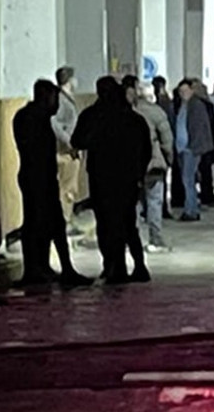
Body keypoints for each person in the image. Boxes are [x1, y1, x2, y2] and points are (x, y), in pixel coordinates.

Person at [71, 76, 153, 283]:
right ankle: (139, 265)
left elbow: (77, 140)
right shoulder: (134, 119)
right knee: (128, 223)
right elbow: (146, 150)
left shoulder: (91, 116)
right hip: (127, 179)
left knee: (106, 223)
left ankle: (112, 266)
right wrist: (139, 174)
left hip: (101, 178)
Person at [14, 79, 93, 287]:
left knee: (45, 223)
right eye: (54, 99)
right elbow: (37, 153)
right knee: (42, 224)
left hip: (39, 178)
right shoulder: (33, 120)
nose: (57, 105)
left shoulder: (31, 118)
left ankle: (43, 267)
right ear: (45, 98)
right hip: (38, 179)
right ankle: (41, 269)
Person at [125, 76, 173, 252]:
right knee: (154, 202)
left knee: (133, 203)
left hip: (131, 164)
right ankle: (155, 239)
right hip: (153, 164)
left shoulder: (128, 112)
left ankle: (132, 239)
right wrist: (168, 159)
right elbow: (167, 140)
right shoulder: (157, 113)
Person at [174, 79, 213, 222]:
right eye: (181, 91)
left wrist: (192, 147)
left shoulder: (195, 105)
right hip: (184, 148)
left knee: (188, 179)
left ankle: (190, 210)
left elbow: (198, 128)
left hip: (190, 148)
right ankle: (191, 208)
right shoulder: (185, 105)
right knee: (188, 179)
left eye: (185, 90)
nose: (183, 93)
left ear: (191, 90)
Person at [52, 66, 82, 234]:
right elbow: (54, 123)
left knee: (68, 188)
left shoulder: (66, 98)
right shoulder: (61, 101)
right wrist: (68, 140)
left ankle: (66, 218)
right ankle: (64, 222)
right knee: (67, 188)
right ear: (69, 81)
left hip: (68, 151)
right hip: (65, 152)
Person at [197, 80, 214, 207]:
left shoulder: (207, 104)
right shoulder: (206, 105)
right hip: (206, 142)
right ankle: (207, 195)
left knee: (206, 169)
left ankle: (207, 193)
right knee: (206, 170)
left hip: (207, 142)